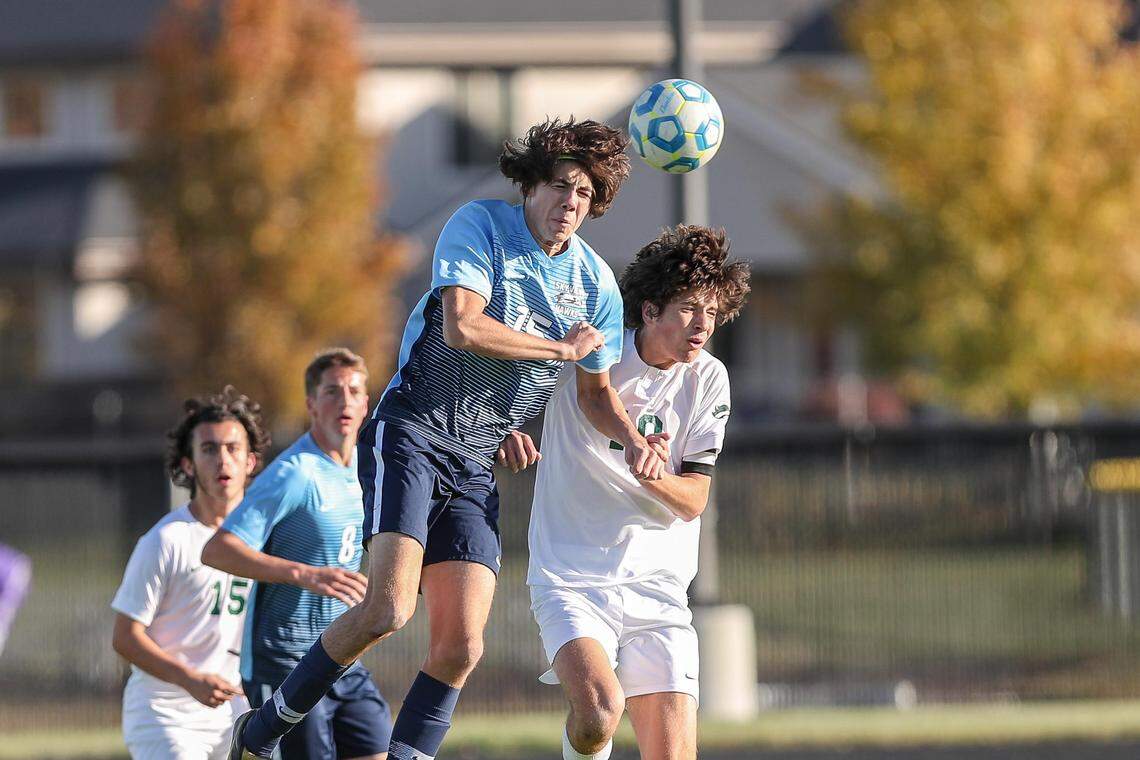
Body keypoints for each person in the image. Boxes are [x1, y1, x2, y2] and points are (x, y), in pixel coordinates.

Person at [230, 117, 668, 760]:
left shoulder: (596, 283)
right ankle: (266, 726)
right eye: (556, 185)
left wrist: (630, 438)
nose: (567, 202)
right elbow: (463, 326)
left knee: (462, 647)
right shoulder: (480, 226)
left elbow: (594, 393)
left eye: (582, 192)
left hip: (473, 464)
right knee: (387, 610)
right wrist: (559, 347)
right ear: (529, 185)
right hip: (411, 434)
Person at [507, 225, 751, 760]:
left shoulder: (709, 378)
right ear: (648, 311)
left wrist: (653, 472)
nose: (702, 325)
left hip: (660, 586)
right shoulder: (590, 353)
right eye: (689, 308)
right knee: (597, 714)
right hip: (572, 573)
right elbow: (510, 399)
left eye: (711, 311)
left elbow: (694, 500)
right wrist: (508, 432)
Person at [203, 348, 390, 760]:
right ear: (311, 404)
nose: (343, 400)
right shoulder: (296, 472)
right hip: (286, 662)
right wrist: (305, 574)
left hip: (344, 653)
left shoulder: (368, 467)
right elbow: (219, 549)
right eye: (331, 391)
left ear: (365, 402)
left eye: (353, 391)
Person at [111, 388, 270, 760]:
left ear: (251, 461)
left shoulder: (265, 540)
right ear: (187, 464)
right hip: (164, 713)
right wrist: (189, 679)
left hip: (234, 713)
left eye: (233, 448)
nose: (222, 460)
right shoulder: (166, 541)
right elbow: (124, 638)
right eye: (209, 449)